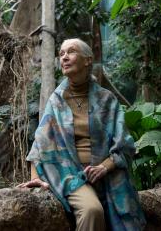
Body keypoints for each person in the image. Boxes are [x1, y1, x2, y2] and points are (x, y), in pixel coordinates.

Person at [18, 38, 146, 230]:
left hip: (105, 175)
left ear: (87, 60)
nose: (64, 57)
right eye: (61, 54)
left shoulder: (107, 100)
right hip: (68, 175)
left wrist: (104, 167)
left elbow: (125, 145)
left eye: (71, 52)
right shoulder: (56, 101)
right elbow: (40, 144)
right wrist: (35, 178)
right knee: (91, 210)